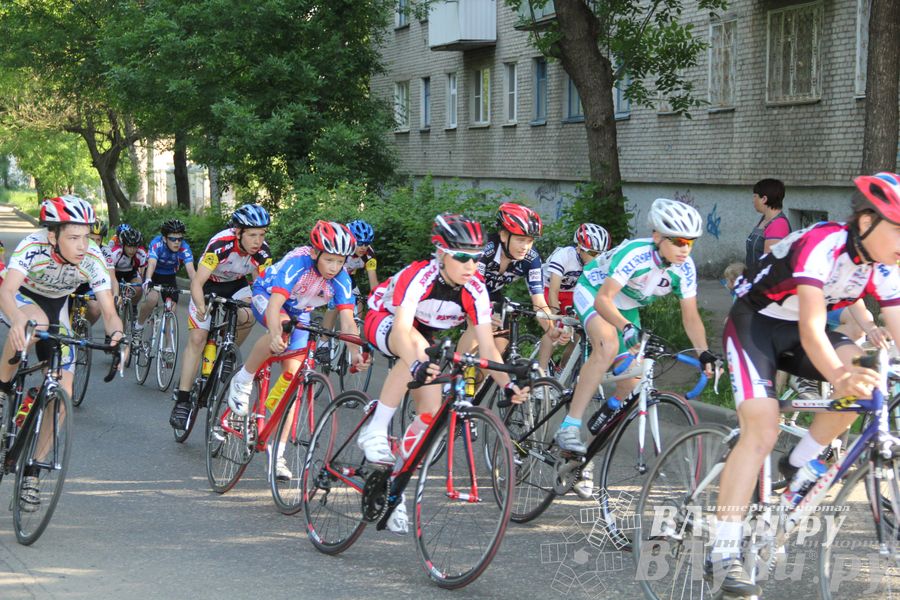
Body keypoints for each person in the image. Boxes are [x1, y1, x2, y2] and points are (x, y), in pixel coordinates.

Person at [708, 173, 900, 596]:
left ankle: (800, 462)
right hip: (755, 324)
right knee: (762, 426)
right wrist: (838, 375)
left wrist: (854, 375)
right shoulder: (824, 243)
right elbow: (814, 328)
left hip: (798, 331)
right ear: (866, 221)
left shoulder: (885, 266)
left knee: (868, 383)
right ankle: (722, 550)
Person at [357, 213, 529, 534]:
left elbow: (489, 349)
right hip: (385, 319)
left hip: (425, 337)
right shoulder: (419, 276)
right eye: (462, 257)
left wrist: (509, 385)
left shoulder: (475, 289)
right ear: (441, 253)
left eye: (476, 259)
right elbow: (402, 330)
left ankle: (393, 489)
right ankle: (375, 428)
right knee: (417, 354)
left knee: (429, 414)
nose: (470, 266)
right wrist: (416, 364)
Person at [557, 198, 717, 494]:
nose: (685, 249)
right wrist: (627, 328)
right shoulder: (636, 254)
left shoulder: (685, 269)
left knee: (631, 382)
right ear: (657, 237)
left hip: (627, 306)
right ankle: (569, 425)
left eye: (691, 243)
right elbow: (604, 300)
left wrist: (703, 351)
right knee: (607, 344)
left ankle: (583, 458)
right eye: (679, 241)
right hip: (595, 291)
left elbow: (691, 316)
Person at [0, 196, 125, 511]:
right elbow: (6, 289)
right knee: (33, 323)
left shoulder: (92, 257)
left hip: (59, 308)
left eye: (86, 236)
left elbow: (109, 310)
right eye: (73, 237)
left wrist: (118, 335)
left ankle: (33, 471)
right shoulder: (33, 245)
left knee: (63, 393)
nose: (83, 245)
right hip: (22, 298)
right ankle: (3, 389)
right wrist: (16, 318)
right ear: (52, 236)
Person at [226, 221, 366, 480]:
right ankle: (243, 379)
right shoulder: (298, 263)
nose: (335, 267)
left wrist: (355, 352)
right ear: (315, 253)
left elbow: (347, 321)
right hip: (268, 297)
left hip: (301, 312)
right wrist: (277, 334)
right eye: (330, 260)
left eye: (340, 261)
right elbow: (274, 304)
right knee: (278, 327)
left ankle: (276, 456)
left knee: (292, 382)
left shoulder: (341, 278)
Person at [169, 204, 272, 430]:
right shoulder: (220, 245)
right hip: (208, 285)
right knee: (197, 338)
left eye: (262, 235)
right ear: (238, 232)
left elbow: (263, 288)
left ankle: (227, 350)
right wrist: (200, 307)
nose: (258, 241)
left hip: (236, 285)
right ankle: (183, 400)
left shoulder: (263, 253)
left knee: (247, 315)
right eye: (252, 235)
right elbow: (197, 282)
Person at [458, 202, 566, 361]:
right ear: (503, 235)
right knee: (476, 328)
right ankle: (455, 377)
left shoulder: (532, 258)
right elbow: (470, 289)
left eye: (530, 241)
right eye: (520, 240)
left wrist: (551, 330)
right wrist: (482, 313)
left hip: (492, 296)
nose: (525, 247)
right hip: (465, 292)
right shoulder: (485, 249)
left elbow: (539, 303)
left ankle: (482, 383)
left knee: (500, 352)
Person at [537, 222, 611, 373]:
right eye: (592, 253)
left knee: (579, 332)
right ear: (579, 247)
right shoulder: (564, 256)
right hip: (547, 287)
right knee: (555, 330)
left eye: (600, 254)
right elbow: (554, 291)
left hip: (572, 292)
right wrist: (557, 317)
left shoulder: (597, 263)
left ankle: (562, 369)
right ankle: (540, 373)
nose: (596, 258)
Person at [135, 219, 196, 330]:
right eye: (173, 239)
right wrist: (148, 279)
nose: (177, 242)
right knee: (152, 299)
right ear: (164, 238)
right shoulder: (157, 244)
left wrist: (198, 287)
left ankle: (168, 346)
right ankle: (139, 325)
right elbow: (152, 264)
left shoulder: (184, 247)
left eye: (180, 239)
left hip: (170, 277)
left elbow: (191, 271)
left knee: (171, 309)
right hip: (154, 275)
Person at [320, 219, 378, 331]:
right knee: (335, 303)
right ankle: (324, 341)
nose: (363, 247)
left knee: (359, 302)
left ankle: (352, 334)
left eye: (367, 243)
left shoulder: (369, 256)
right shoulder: (342, 250)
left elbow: (373, 282)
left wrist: (376, 300)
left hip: (349, 278)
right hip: (331, 275)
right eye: (360, 243)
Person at [745, 178, 791, 269]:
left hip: (765, 282)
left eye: (755, 196)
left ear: (764, 199)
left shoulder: (778, 225)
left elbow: (769, 266)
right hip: (754, 279)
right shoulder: (764, 219)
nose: (753, 200)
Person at [109, 225, 148, 308]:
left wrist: (145, 282)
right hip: (115, 273)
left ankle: (133, 307)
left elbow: (144, 269)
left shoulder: (141, 253)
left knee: (138, 288)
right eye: (129, 246)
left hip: (131, 273)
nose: (132, 250)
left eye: (135, 247)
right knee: (113, 294)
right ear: (123, 245)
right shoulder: (115, 253)